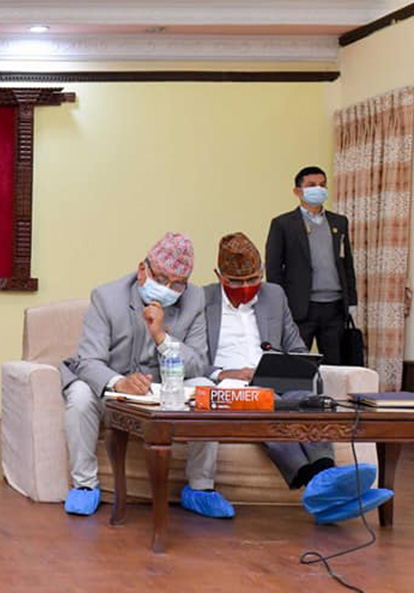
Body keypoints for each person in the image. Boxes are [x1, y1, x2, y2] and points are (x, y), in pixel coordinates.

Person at [204, 232, 392, 523]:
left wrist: (289, 365)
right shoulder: (202, 300)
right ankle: (323, 488)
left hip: (273, 376)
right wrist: (223, 373)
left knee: (308, 400)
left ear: (262, 271)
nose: (246, 287)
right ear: (219, 276)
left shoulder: (274, 295)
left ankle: (325, 481)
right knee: (267, 404)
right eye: (236, 282)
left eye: (253, 279)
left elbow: (297, 348)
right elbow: (191, 356)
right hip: (231, 383)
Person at [59, 232, 232, 518]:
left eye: (178, 284)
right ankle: (85, 485)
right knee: (79, 394)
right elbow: (88, 360)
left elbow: (199, 363)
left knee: (206, 389)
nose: (168, 289)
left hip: (165, 389)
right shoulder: (107, 297)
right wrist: (120, 383)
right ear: (143, 270)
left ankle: (200, 488)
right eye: (161, 279)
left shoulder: (194, 298)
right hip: (114, 388)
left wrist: (161, 337)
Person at [266, 166, 357, 365]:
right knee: (296, 364)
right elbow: (273, 269)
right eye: (312, 185)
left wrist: (352, 302)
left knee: (334, 365)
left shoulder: (339, 222)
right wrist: (280, 305)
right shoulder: (283, 224)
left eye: (322, 185)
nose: (319, 189)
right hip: (300, 308)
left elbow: (347, 264)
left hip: (335, 308)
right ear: (297, 191)